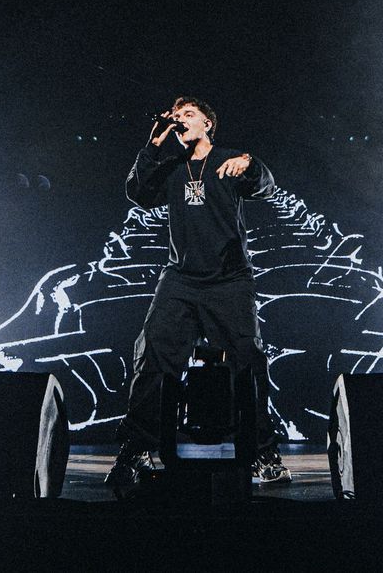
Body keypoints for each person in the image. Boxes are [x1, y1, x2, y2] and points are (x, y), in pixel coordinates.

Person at [106, 96, 291, 494]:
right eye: (176, 116)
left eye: (187, 115)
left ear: (207, 123)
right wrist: (154, 145)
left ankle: (263, 452)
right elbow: (137, 192)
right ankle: (137, 448)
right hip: (180, 279)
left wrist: (253, 165)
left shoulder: (228, 159)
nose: (179, 120)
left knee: (247, 360)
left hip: (229, 280)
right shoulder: (170, 167)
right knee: (153, 352)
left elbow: (265, 185)